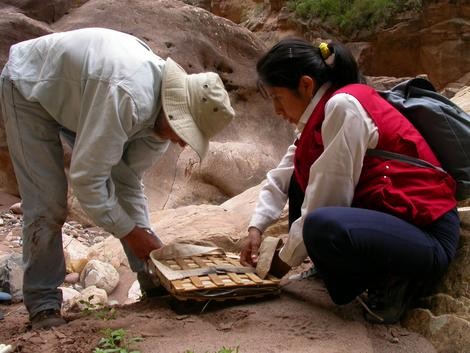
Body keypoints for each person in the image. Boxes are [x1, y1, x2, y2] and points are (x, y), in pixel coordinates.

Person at [0, 27, 235, 330]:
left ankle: (150, 282)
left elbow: (127, 181)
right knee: (47, 202)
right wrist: (132, 234)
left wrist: (149, 259)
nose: (182, 143)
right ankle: (43, 302)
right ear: (175, 112)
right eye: (186, 133)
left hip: (82, 97)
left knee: (128, 218)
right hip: (30, 86)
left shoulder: (161, 123)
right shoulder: (127, 95)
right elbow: (88, 181)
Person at [240, 38, 460, 324]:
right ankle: (339, 268)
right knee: (301, 183)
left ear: (306, 85)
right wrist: (256, 227)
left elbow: (328, 198)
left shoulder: (344, 107)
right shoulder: (318, 118)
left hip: (427, 236)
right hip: (395, 224)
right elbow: (282, 176)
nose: (277, 110)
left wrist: (280, 264)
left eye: (278, 97)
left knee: (321, 226)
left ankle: (396, 280)